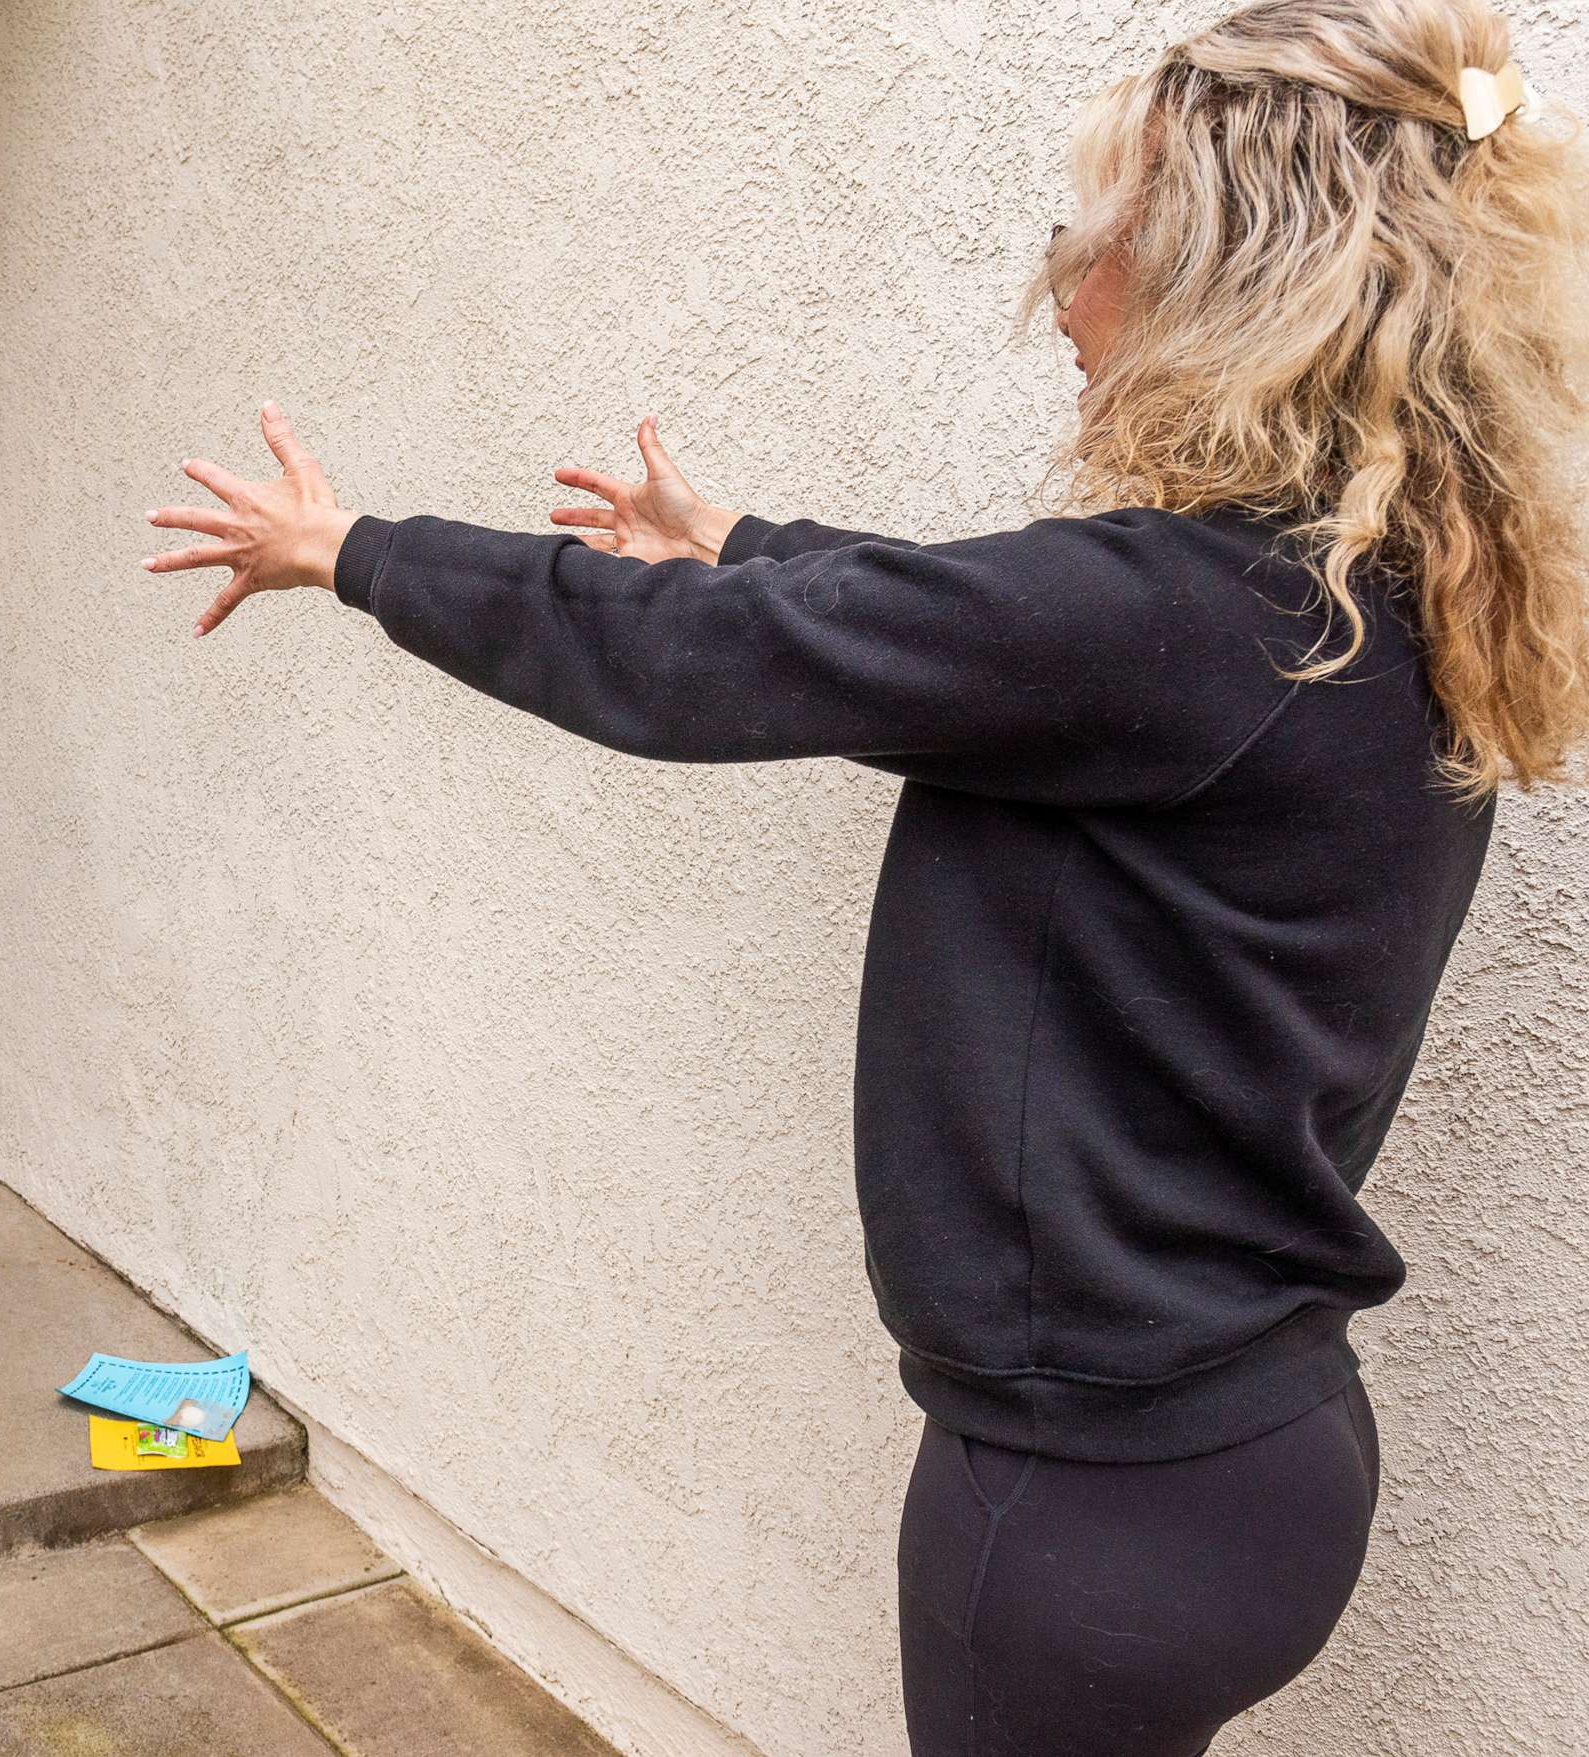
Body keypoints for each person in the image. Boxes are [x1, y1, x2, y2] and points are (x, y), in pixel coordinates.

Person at [140, 1, 1588, 1750]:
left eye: (1086, 239)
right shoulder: (1356, 606)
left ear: (1217, 275)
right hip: (1257, 1454)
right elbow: (973, 639)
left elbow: (703, 665)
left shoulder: (1174, 617)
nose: (1057, 291)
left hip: (1085, 1511)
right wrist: (743, 544)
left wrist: (356, 550)